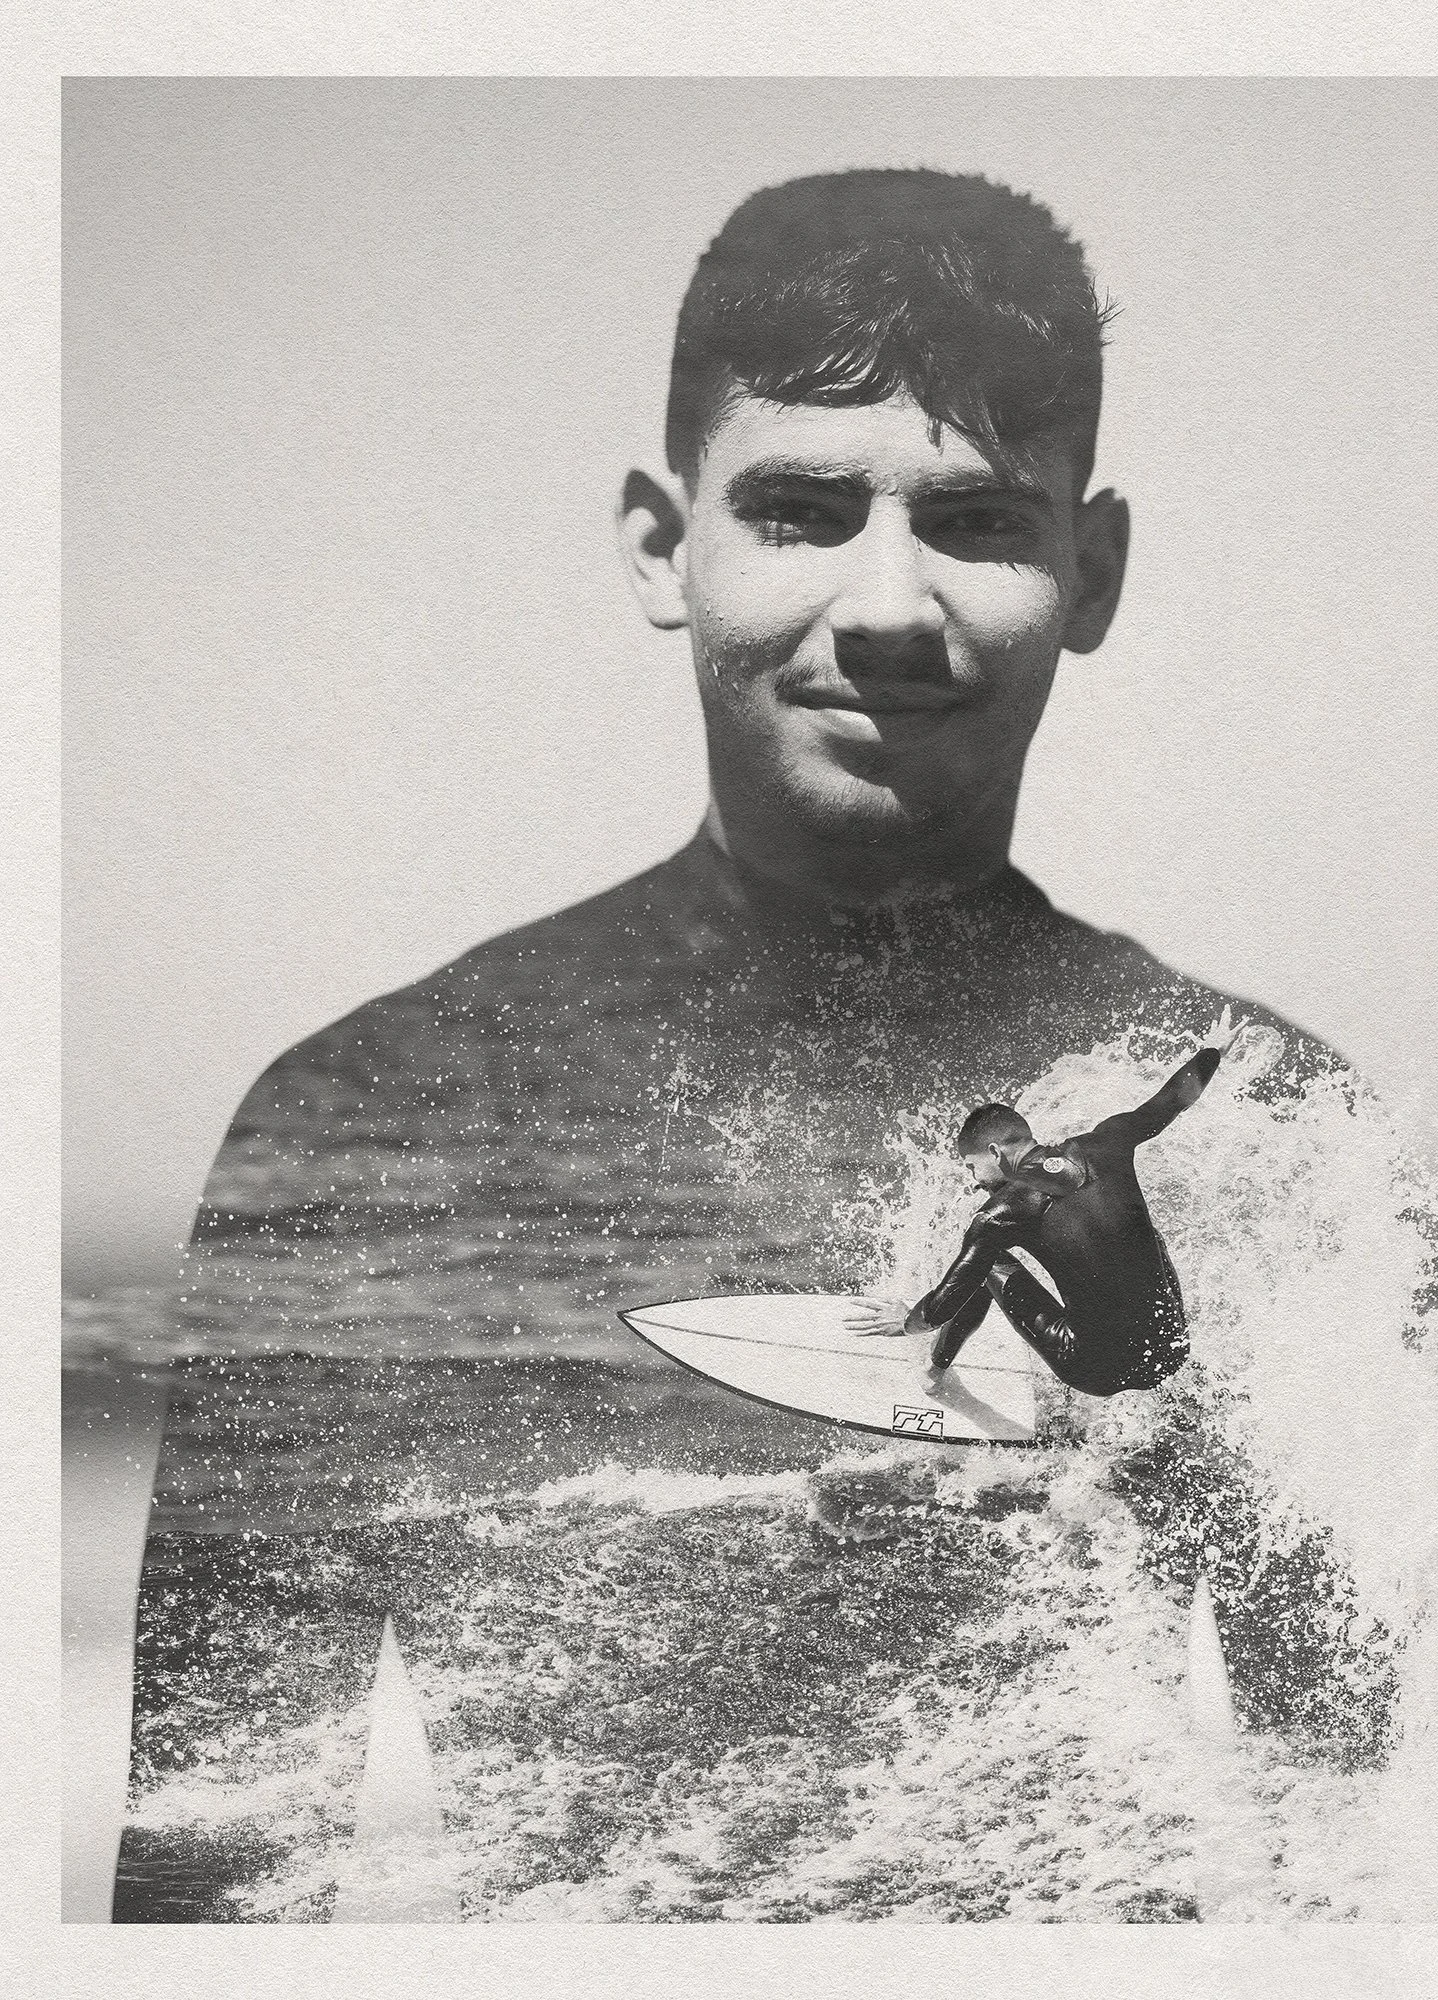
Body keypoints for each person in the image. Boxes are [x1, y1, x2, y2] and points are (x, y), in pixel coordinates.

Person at [115, 167, 1333, 1920]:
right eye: (802, 511)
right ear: (660, 544)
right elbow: (202, 1882)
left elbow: (1374, 1855)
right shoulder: (359, 1131)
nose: (891, 603)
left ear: (1095, 569)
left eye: (979, 521)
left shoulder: (1283, 1151)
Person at [848, 1007, 1247, 1397]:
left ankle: (933, 1373)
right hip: (1170, 1353)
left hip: (1095, 1370)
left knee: (989, 1263)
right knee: (1147, 1235)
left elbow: (941, 1306)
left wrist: (905, 1322)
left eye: (972, 1167)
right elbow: (1170, 1101)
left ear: (995, 1152)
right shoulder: (1107, 1142)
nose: (974, 1182)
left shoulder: (998, 1215)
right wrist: (1212, 1052)